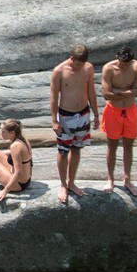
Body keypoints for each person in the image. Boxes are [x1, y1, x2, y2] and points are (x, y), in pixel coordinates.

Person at [50, 44, 100, 204]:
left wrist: (97, 115)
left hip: (83, 114)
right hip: (66, 115)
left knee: (77, 149)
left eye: (82, 64)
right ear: (71, 58)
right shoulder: (59, 71)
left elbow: (91, 91)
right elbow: (53, 97)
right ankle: (63, 185)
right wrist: (54, 121)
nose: (80, 67)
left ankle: (71, 182)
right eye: (77, 64)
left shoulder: (89, 68)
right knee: (63, 151)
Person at [101, 45, 137, 196]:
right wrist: (130, 92)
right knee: (112, 144)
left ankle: (127, 179)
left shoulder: (136, 66)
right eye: (122, 62)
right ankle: (110, 179)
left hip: (130, 110)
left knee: (128, 145)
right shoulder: (109, 68)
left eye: (127, 62)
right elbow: (107, 94)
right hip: (113, 111)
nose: (124, 65)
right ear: (117, 56)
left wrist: (119, 91)